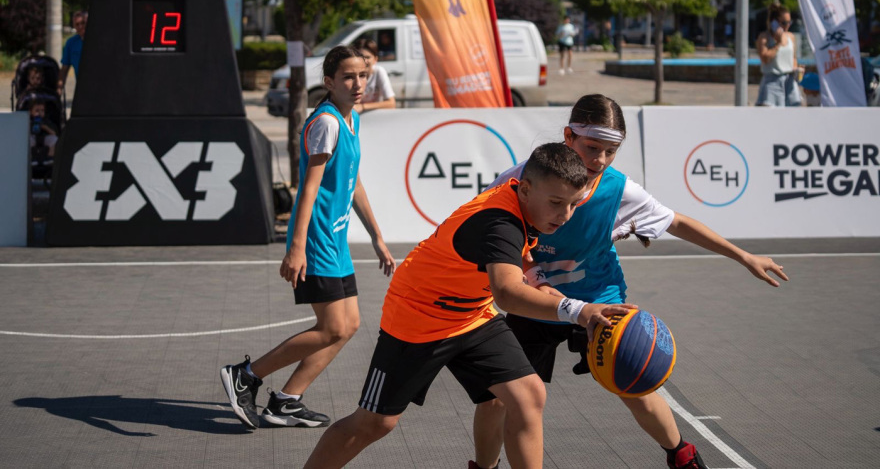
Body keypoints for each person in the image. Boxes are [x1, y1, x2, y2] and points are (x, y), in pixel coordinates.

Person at [471, 94, 790, 469]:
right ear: (569, 136)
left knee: (635, 383)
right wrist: (536, 279)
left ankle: (682, 457)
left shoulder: (616, 189)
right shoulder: (521, 180)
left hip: (601, 299)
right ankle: (483, 467)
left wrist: (743, 256)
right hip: (536, 303)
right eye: (592, 148)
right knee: (497, 398)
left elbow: (677, 222)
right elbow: (494, 230)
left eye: (611, 151)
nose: (600, 160)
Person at [302, 143, 636, 469]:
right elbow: (506, 293)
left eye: (574, 204)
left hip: (472, 315)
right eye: (556, 202)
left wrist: (568, 300)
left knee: (527, 394)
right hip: (418, 317)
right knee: (375, 423)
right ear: (525, 190)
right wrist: (578, 310)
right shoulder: (498, 222)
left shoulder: (523, 207)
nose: (565, 215)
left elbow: (519, 270)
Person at [220, 45, 396, 430]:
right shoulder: (328, 123)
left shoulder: (352, 121)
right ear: (329, 82)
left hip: (336, 241)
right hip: (316, 241)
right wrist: (296, 247)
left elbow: (354, 184)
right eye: (348, 77)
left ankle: (286, 400)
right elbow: (308, 188)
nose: (358, 83)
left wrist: (377, 237)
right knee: (332, 327)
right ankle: (245, 375)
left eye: (363, 75)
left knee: (347, 325)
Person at [755, 4, 804, 107]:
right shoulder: (764, 37)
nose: (787, 25)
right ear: (774, 22)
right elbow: (764, 58)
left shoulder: (790, 36)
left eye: (789, 22)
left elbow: (793, 58)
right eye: (784, 23)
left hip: (789, 81)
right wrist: (778, 44)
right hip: (772, 82)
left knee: (794, 114)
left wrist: (797, 70)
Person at [351, 38, 396, 112]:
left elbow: (391, 103)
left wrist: (362, 107)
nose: (364, 61)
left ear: (375, 59)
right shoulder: (349, 74)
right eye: (360, 57)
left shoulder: (379, 72)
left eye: (367, 57)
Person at [59, 11, 87, 94]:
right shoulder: (71, 43)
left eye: (83, 23)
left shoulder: (98, 40)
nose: (80, 26)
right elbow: (64, 69)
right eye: (77, 24)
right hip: (82, 88)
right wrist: (59, 88)